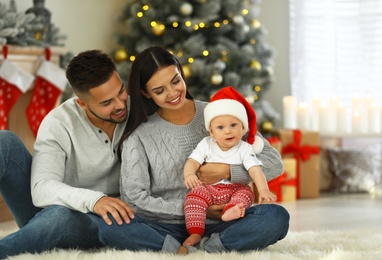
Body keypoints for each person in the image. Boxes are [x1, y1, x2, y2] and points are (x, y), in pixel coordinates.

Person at [98, 46, 289, 254]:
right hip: (165, 226)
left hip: (225, 219)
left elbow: (274, 162)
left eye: (175, 81)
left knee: (276, 217)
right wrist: (198, 210)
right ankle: (177, 248)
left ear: (181, 72)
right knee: (110, 228)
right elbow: (134, 198)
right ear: (145, 93)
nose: (172, 93)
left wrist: (228, 171)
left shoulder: (218, 113)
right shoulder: (139, 135)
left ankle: (211, 246)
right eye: (159, 91)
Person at [0, 50, 134, 259]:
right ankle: (33, 235)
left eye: (121, 91)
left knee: (59, 215)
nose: (120, 104)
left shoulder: (137, 110)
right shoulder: (59, 122)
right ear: (82, 103)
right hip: (55, 212)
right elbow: (41, 189)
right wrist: (94, 200)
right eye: (107, 103)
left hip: (105, 222)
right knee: (4, 142)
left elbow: (190, 110)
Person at [182, 86, 277, 249]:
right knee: (193, 197)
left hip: (235, 189)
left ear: (243, 128)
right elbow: (192, 161)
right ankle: (196, 231)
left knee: (246, 194)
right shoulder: (206, 144)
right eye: (220, 127)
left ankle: (232, 210)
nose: (228, 131)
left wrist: (263, 190)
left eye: (233, 125)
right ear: (211, 132)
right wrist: (189, 175)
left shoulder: (244, 148)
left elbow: (255, 171)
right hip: (210, 190)